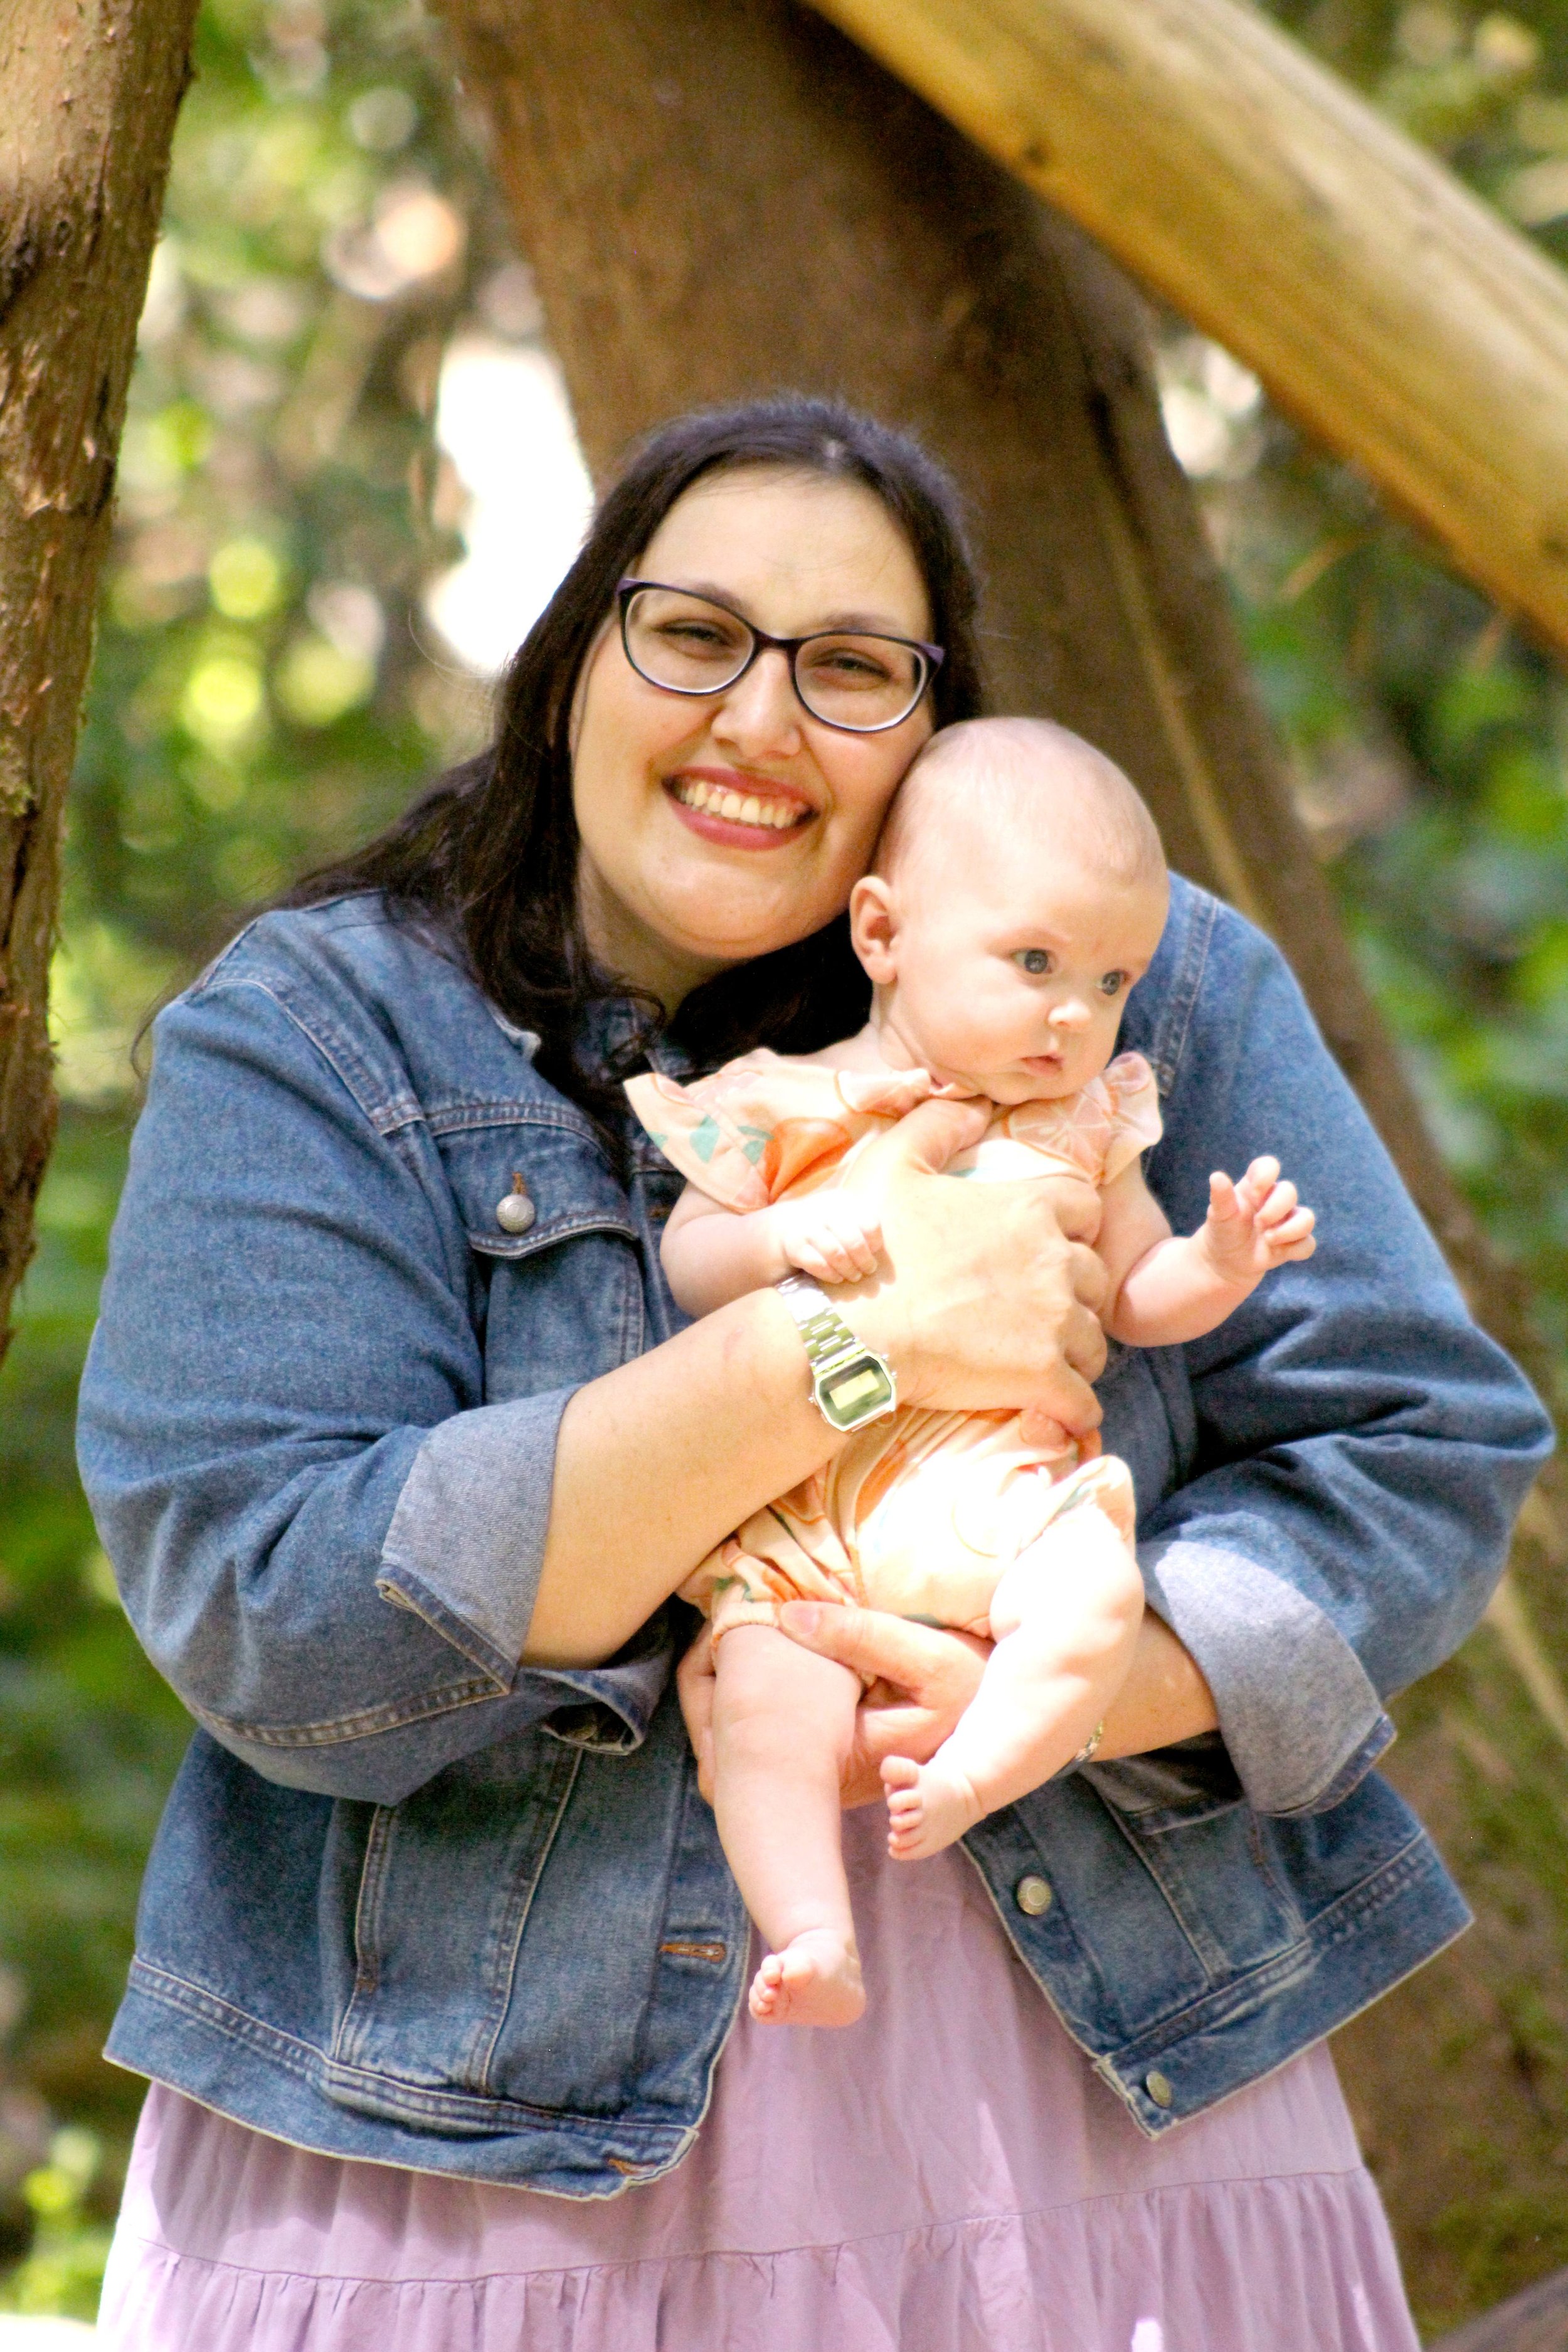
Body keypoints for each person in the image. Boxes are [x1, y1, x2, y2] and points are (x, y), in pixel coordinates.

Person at [80, 395, 1550, 2352]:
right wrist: (847, 1348)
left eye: (852, 667)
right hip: (468, 2155)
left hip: (1098, 2115)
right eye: (691, 633)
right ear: (572, 664)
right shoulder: (323, 1029)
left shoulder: (1128, 982)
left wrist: (1126, 1675)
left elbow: (1415, 1440)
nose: (759, 722)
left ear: (934, 743)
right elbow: (270, 1605)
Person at [625, 716, 1318, 2030]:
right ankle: (812, 1932)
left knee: (1095, 1596)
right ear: (881, 936)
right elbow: (690, 1256)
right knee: (765, 1700)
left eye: (1112, 981)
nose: (1072, 1016)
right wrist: (776, 1237)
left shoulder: (1087, 1124)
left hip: (1002, 1497)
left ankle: (974, 1776)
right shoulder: (784, 1100)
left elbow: (1134, 1293)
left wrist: (1221, 1261)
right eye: (1034, 961)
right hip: (812, 1512)